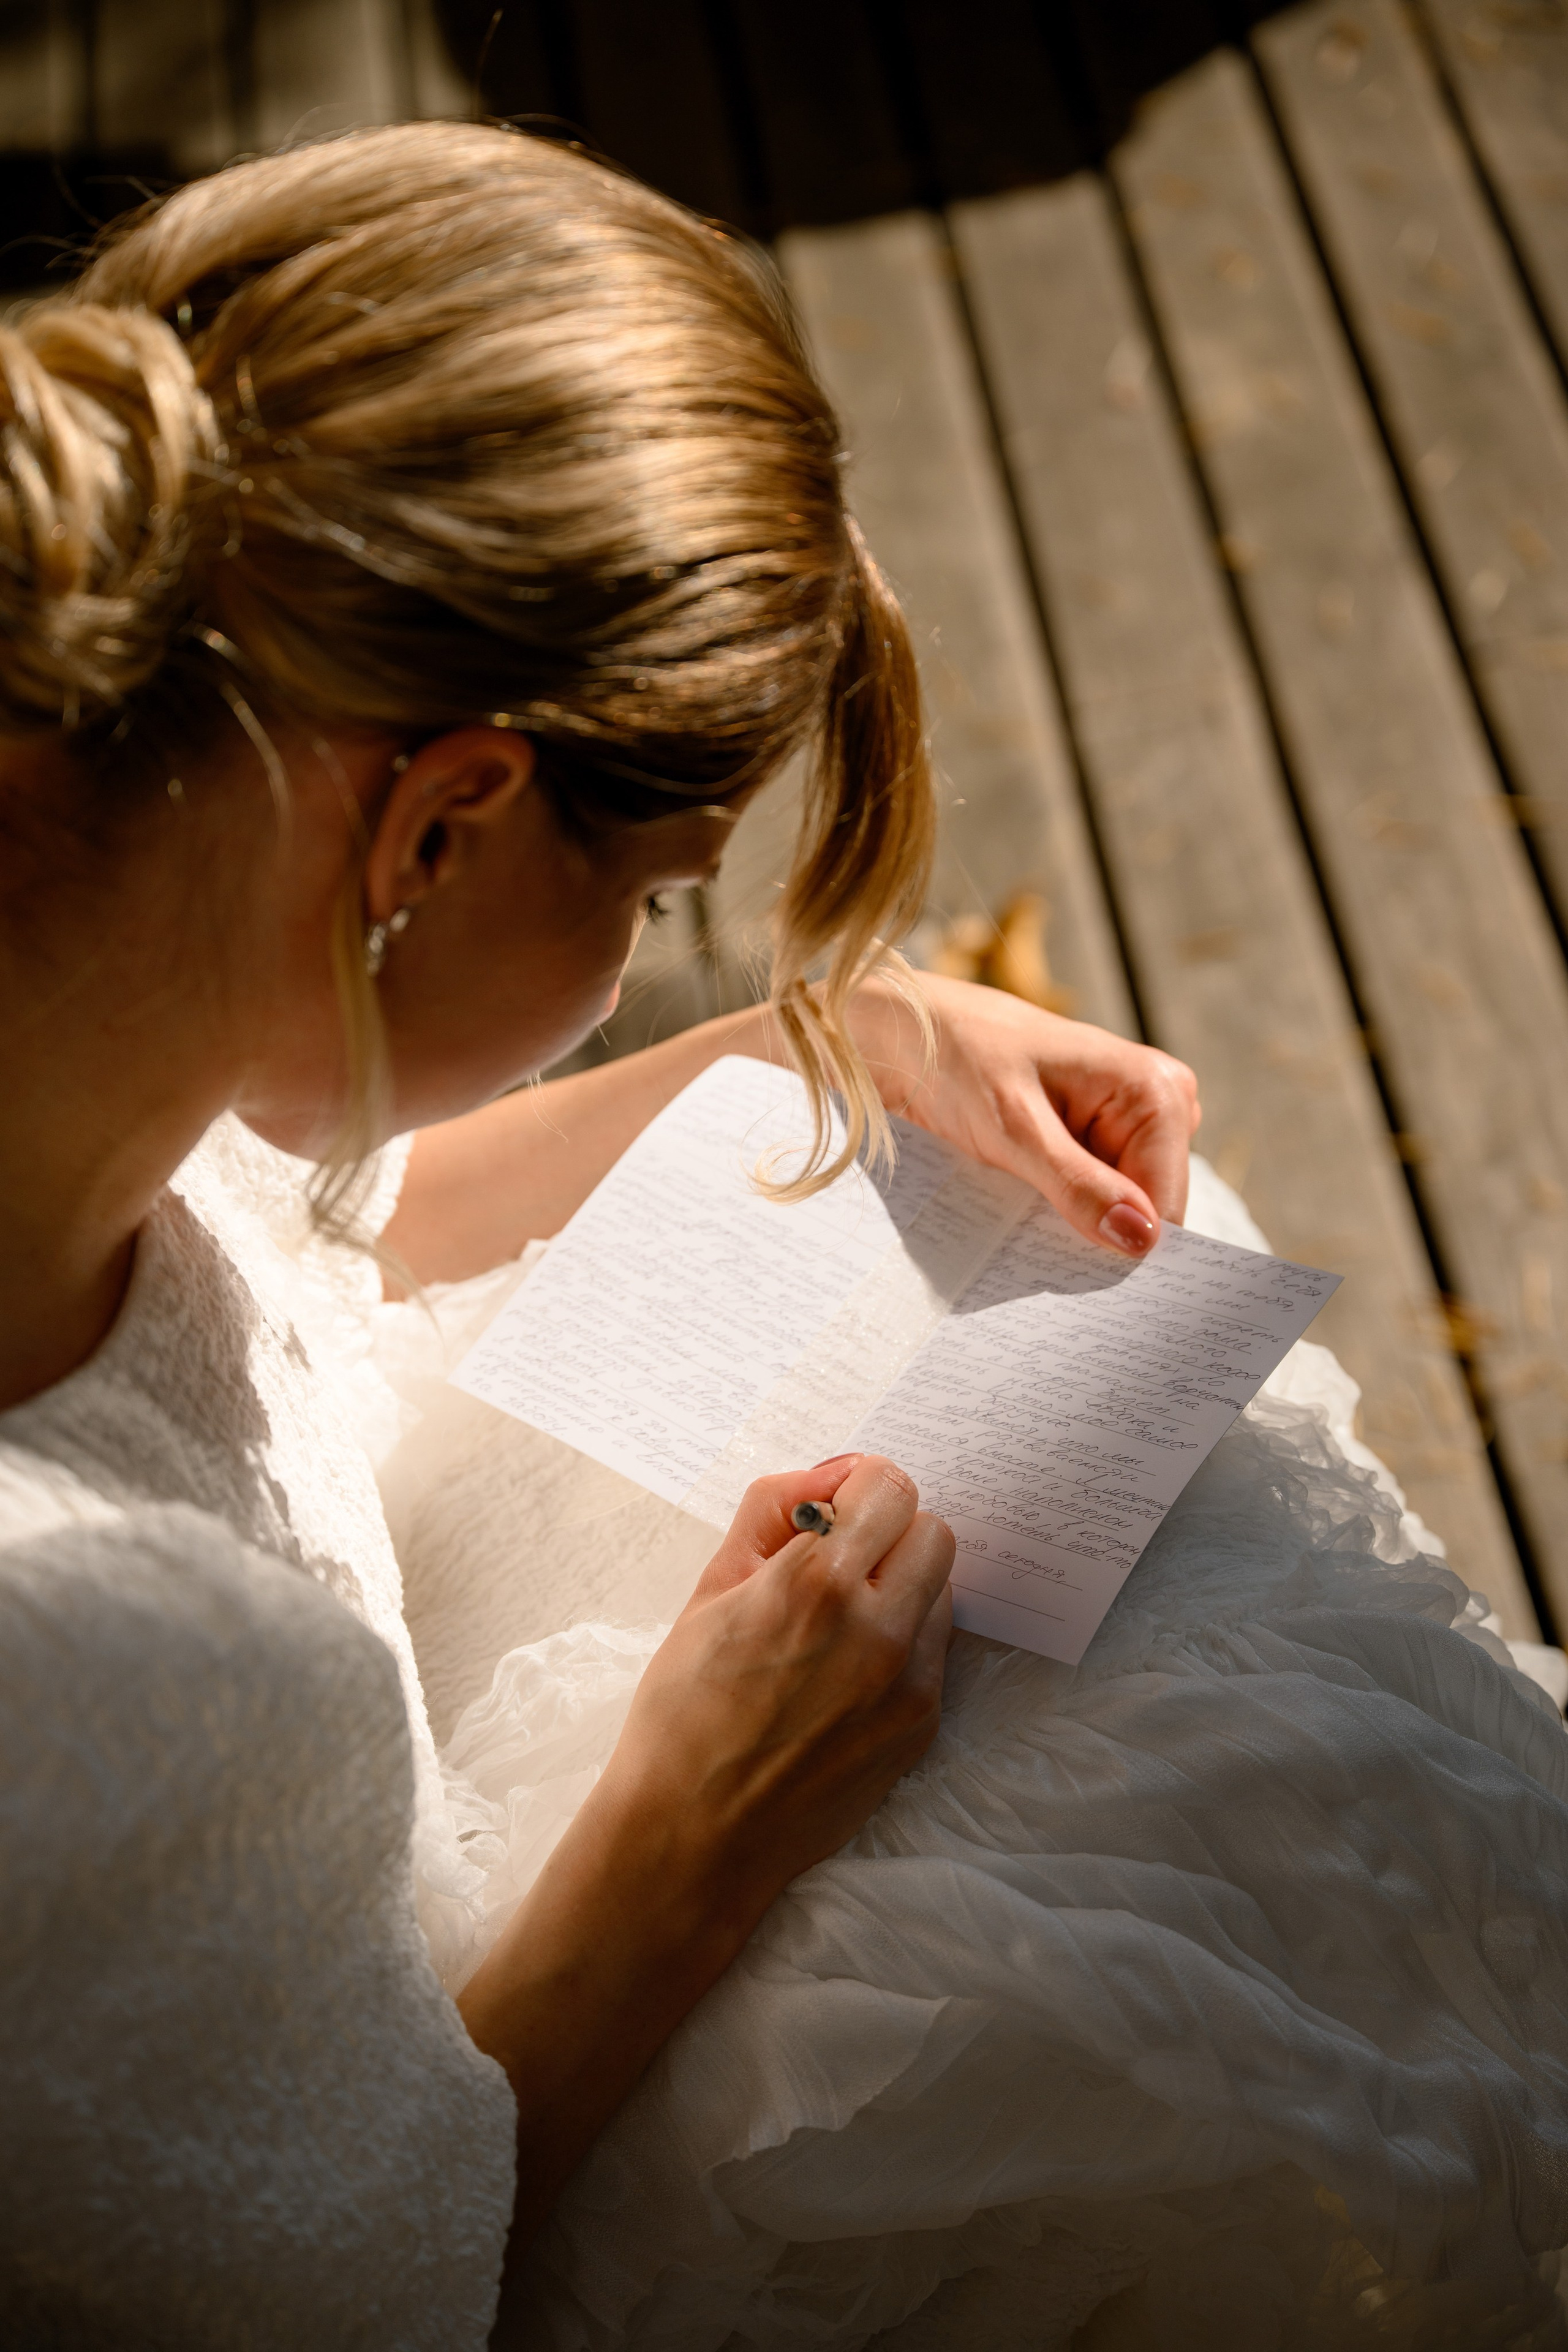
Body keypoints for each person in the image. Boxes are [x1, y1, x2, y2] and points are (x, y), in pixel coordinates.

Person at [0, 121, 1563, 2351]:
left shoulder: (80, 975)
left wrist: (831, 1044)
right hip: (478, 2112)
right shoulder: (92, 1673)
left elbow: (324, 1214)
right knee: (1200, 1821)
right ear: (439, 820)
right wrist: (701, 1819)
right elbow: (364, 2280)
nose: (656, 957)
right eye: (660, 902)